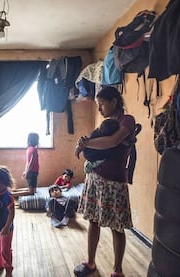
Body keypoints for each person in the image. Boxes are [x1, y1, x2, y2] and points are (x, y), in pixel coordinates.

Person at [73, 86, 135, 277]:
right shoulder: (107, 123)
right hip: (95, 178)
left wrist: (86, 144)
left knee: (117, 226)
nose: (99, 109)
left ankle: (118, 270)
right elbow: (98, 141)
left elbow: (112, 142)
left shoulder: (127, 121)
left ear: (114, 102)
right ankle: (90, 262)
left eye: (102, 105)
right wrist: (85, 143)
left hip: (114, 182)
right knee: (93, 221)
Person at [11, 132, 39, 197]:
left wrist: (26, 171)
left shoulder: (28, 149)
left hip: (30, 171)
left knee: (32, 189)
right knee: (32, 192)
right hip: (33, 172)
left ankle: (14, 191)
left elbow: (27, 162)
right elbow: (31, 162)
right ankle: (12, 194)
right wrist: (27, 172)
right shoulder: (34, 149)